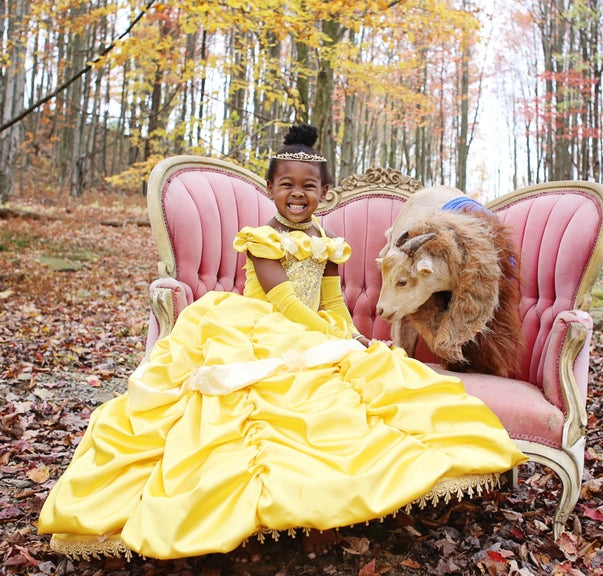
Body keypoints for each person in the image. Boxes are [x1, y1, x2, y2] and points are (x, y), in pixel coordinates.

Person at [38, 124, 526, 562]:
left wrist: (349, 333)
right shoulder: (262, 239)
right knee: (256, 406)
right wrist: (327, 333)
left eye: (309, 187)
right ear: (270, 189)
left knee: (365, 389)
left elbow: (331, 301)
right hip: (257, 324)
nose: (298, 195)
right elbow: (287, 301)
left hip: (309, 326)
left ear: (324, 193)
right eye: (287, 185)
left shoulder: (329, 244)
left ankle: (333, 500)